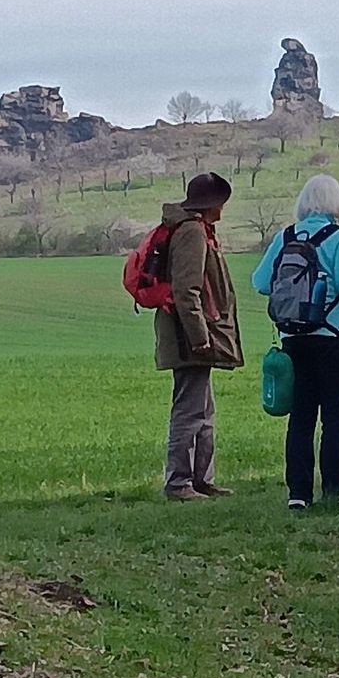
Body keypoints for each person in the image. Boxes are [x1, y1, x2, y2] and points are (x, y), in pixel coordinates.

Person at [252, 174, 339, 511]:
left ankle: (298, 493)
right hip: (336, 337)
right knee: (335, 418)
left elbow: (261, 282)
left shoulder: (285, 237)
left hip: (295, 338)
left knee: (301, 418)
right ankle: (333, 491)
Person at [154, 171, 243, 501]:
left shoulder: (197, 230)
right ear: (210, 205)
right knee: (190, 411)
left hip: (190, 333)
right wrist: (199, 337)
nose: (222, 209)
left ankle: (201, 479)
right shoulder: (192, 233)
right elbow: (186, 290)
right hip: (187, 337)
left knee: (202, 411)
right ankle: (179, 483)